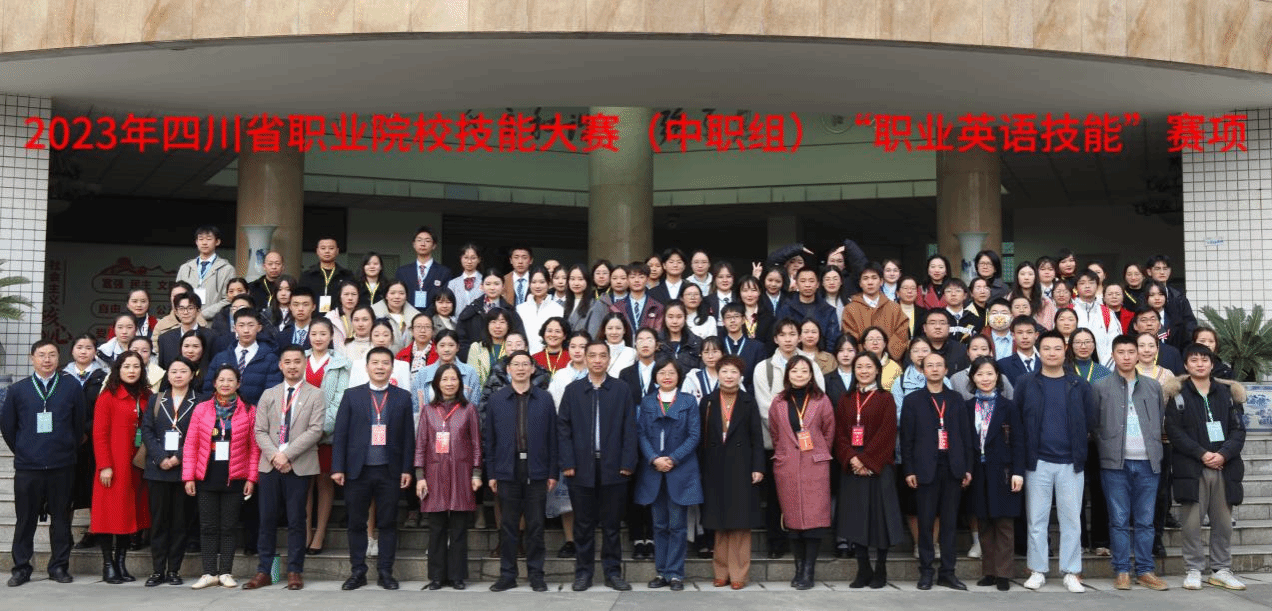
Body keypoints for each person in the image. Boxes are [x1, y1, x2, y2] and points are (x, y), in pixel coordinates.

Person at [1016, 331, 1097, 593]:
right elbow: (1018, 420)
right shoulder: (1026, 383)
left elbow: (1091, 421)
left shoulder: (1079, 385)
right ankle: (1037, 570)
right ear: (1039, 352)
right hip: (1037, 462)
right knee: (1036, 520)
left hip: (1070, 463)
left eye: (1057, 348)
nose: (1052, 353)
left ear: (1065, 351)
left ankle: (1071, 571)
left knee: (1071, 520)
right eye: (1047, 348)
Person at [1, 340, 86, 587]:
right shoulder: (18, 390)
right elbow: (8, 427)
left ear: (58, 358)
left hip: (62, 465)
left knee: (61, 520)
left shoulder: (71, 387)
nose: (46, 360)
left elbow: (78, 423)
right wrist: (24, 450)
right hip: (29, 467)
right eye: (41, 355)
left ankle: (58, 567)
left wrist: (67, 447)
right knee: (25, 520)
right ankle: (21, 568)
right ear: (32, 358)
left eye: (51, 355)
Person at [331, 347, 416, 591]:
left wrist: (407, 469)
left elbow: (408, 437)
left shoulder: (402, 397)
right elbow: (341, 434)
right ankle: (358, 572)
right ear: (367, 367)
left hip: (390, 470)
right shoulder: (352, 395)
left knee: (388, 523)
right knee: (356, 523)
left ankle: (385, 572)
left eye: (385, 363)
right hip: (357, 471)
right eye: (375, 362)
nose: (380, 367)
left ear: (392, 367)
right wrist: (337, 467)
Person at [243, 346, 326, 591]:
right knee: (267, 519)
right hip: (270, 466)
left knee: (297, 520)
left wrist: (286, 455)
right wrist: (275, 456)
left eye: (297, 361)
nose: (292, 366)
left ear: (304, 364)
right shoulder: (269, 394)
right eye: (287, 362)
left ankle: (294, 571)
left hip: (299, 465)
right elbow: (259, 430)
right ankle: (266, 572)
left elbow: (315, 430)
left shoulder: (316, 394)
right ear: (280, 365)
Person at [1165, 343, 1247, 591]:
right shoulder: (1178, 394)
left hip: (1224, 467)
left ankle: (1221, 569)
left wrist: (1223, 454)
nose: (1199, 364)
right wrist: (1201, 454)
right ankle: (1193, 568)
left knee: (1223, 522)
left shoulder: (1227, 394)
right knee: (1191, 522)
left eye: (1204, 360)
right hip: (1192, 468)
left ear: (1212, 364)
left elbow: (1238, 430)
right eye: (1194, 360)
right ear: (1186, 365)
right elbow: (1174, 431)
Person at [557, 341, 637, 592]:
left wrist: (628, 462)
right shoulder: (573, 390)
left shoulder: (621, 389)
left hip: (614, 467)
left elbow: (630, 428)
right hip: (581, 468)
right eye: (592, 355)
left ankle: (613, 573)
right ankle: (583, 573)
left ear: (609, 359)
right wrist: (567, 462)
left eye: (603, 355)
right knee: (583, 525)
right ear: (585, 358)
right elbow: (563, 429)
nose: (597, 360)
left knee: (612, 525)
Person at [1093, 334, 1169, 591]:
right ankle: (1122, 570)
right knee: (1119, 519)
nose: (1126, 357)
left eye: (1130, 352)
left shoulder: (1153, 386)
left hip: (1148, 463)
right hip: (1115, 464)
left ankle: (1145, 570)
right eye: (1121, 352)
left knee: (1146, 520)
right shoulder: (1100, 387)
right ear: (1113, 355)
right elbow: (1095, 424)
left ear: (1138, 355)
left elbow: (1159, 419)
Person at [753, 319, 826, 559]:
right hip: (776, 443)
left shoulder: (811, 365)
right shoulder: (763, 367)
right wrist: (789, 433)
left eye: (792, 334)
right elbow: (765, 408)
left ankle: (805, 543)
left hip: (808, 445)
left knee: (806, 495)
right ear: (775, 339)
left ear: (799, 337)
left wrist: (804, 432)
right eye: (782, 334)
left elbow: (820, 401)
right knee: (777, 496)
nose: (787, 339)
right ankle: (776, 543)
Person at [182, 365, 259, 590]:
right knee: (207, 526)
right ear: (214, 383)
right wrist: (189, 477)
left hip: (235, 476)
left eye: (230, 380)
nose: (226, 384)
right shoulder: (202, 409)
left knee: (228, 527)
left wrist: (251, 478)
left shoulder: (248, 410)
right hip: (206, 475)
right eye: (221, 380)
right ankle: (208, 573)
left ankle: (225, 571)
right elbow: (191, 444)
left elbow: (254, 448)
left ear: (238, 384)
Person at [901, 351, 972, 591]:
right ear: (922, 370)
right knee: (926, 523)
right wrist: (909, 469)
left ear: (946, 370)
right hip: (924, 470)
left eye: (938, 365)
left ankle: (948, 572)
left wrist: (967, 468)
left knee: (950, 524)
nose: (934, 369)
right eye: (929, 365)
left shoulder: (956, 399)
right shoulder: (913, 400)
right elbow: (907, 439)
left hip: (952, 468)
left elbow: (965, 436)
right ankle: (926, 571)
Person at [834, 352, 903, 589]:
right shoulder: (845, 399)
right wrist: (852, 459)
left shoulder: (886, 398)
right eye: (859, 367)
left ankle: (881, 568)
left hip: (879, 466)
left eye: (868, 367)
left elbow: (887, 433)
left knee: (880, 520)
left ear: (877, 370)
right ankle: (863, 569)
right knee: (856, 519)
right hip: (852, 466)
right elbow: (839, 434)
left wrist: (866, 461)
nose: (864, 371)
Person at [634, 358, 702, 591]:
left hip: (679, 470)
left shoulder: (688, 401)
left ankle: (675, 574)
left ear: (678, 376)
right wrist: (654, 459)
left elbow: (694, 435)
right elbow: (641, 434)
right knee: (659, 525)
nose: (666, 376)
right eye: (662, 372)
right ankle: (661, 572)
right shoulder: (648, 401)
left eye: (671, 372)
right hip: (654, 471)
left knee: (678, 526)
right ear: (655, 376)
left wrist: (673, 459)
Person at [768, 355, 834, 590]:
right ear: (788, 374)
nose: (799, 375)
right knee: (793, 520)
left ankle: (808, 571)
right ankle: (798, 569)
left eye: (804, 371)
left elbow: (829, 432)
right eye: (795, 371)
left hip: (815, 466)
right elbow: (775, 433)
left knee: (814, 522)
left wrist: (818, 452)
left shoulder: (821, 400)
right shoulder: (778, 402)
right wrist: (786, 452)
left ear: (811, 375)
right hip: (787, 465)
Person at [698, 356, 764, 589]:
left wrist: (758, 467)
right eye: (724, 371)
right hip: (715, 466)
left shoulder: (748, 401)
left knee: (740, 523)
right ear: (718, 374)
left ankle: (738, 574)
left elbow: (757, 437)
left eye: (733, 372)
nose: (729, 376)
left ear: (741, 376)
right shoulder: (707, 402)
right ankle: (721, 571)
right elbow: (701, 438)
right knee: (719, 521)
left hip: (741, 467)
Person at [415, 364, 483, 590]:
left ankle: (457, 576)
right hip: (434, 474)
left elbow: (476, 444)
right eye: (445, 379)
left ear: (460, 383)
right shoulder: (428, 410)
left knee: (459, 528)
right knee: (436, 528)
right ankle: (436, 576)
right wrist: (420, 475)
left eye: (454, 379)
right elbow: (421, 444)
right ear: (437, 383)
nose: (449, 383)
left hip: (462, 474)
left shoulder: (468, 409)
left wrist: (476, 473)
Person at [962, 356, 1025, 591]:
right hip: (978, 471)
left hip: (1004, 471)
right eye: (979, 374)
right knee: (984, 522)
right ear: (972, 378)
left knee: (1004, 524)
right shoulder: (967, 407)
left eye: (989, 373)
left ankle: (1004, 574)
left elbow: (1019, 442)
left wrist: (1018, 472)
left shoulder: (1008, 406)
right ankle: (988, 572)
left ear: (997, 376)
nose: (985, 378)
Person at [92, 350, 153, 584]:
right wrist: (104, 465)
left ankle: (121, 562)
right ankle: (108, 565)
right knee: (109, 516)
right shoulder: (108, 396)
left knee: (130, 516)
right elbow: (99, 434)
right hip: (113, 467)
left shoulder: (147, 395)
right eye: (126, 366)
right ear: (118, 370)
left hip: (137, 465)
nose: (131, 371)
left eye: (136, 366)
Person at [140, 357, 199, 587]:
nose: (178, 375)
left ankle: (174, 569)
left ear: (192, 375)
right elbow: (147, 431)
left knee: (179, 522)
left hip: (184, 469)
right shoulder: (156, 399)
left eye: (183, 371)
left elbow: (198, 433)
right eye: (173, 371)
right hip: (158, 469)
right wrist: (160, 457)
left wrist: (178, 457)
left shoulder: (200, 401)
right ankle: (157, 571)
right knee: (158, 522)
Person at [303, 318, 351, 556]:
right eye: (314, 334)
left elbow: (339, 401)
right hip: (300, 434)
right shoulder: (299, 359)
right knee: (304, 484)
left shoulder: (341, 363)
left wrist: (320, 430)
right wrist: (302, 433)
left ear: (331, 336)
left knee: (324, 482)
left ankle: (320, 533)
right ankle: (305, 532)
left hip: (326, 434)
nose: (318, 338)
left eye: (323, 333)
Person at [203, 309, 282, 406]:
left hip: (257, 412)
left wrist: (255, 412)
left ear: (259, 328)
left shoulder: (270, 358)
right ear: (234, 328)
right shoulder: (220, 357)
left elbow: (272, 392)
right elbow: (208, 389)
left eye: (251, 325)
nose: (246, 330)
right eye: (241, 325)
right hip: (223, 411)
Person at [841, 263, 910, 362]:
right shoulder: (850, 309)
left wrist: (884, 356)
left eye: (874, 278)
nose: (870, 282)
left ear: (881, 281)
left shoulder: (894, 308)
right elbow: (851, 339)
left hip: (889, 364)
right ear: (860, 283)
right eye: (865, 278)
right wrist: (866, 358)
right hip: (861, 364)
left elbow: (901, 335)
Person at [456, 269, 522, 359]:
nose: (492, 288)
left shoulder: (510, 312)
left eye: (496, 284)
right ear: (482, 286)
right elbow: (461, 341)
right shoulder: (471, 311)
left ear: (503, 286)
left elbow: (519, 339)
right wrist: (473, 358)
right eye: (488, 284)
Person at [176, 225, 237, 319]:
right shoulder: (185, 268)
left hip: (213, 322)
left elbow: (229, 299)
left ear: (217, 242)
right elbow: (176, 296)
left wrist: (203, 314)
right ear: (196, 242)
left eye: (209, 239)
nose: (204, 243)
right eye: (201, 239)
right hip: (186, 321)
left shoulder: (227, 269)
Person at [775, 267, 841, 352]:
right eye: (803, 281)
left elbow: (832, 339)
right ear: (797, 284)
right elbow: (780, 334)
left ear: (817, 284)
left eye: (811, 281)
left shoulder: (828, 310)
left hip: (820, 355)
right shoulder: (787, 308)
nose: (807, 285)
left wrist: (825, 357)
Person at [1145, 255, 1199, 350]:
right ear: (1149, 271)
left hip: (1177, 348)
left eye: (1165, 268)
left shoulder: (1179, 297)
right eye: (1157, 269)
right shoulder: (1143, 296)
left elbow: (1190, 324)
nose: (1162, 272)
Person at [1072, 270, 1121, 368]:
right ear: (1076, 288)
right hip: (1072, 368)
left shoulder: (1107, 313)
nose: (1087, 286)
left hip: (1103, 369)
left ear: (1098, 286)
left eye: (1091, 282)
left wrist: (1103, 370)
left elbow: (1116, 342)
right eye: (1082, 283)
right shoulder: (1068, 311)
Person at [516, 267, 565, 354]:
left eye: (542, 282)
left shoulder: (558, 309)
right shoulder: (520, 309)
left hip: (550, 356)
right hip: (524, 357)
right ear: (529, 284)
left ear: (549, 284)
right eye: (534, 282)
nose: (537, 286)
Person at [300, 237, 355, 314]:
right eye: (323, 248)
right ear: (317, 251)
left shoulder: (347, 275)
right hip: (313, 318)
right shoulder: (307, 275)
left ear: (337, 251)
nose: (327, 251)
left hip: (340, 317)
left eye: (331, 248)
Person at [612, 263, 665, 339]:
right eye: (632, 277)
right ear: (627, 279)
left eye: (641, 277)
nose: (636, 280)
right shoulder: (617, 307)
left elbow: (659, 334)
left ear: (647, 279)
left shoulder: (657, 307)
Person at [157, 291, 208, 369]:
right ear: (176, 312)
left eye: (190, 308)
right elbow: (162, 369)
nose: (185, 312)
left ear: (198, 311)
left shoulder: (212, 336)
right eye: (181, 309)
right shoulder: (164, 339)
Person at [371, 281, 422, 352]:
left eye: (401, 293)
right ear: (386, 296)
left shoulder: (416, 316)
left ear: (406, 296)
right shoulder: (373, 313)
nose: (397, 297)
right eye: (392, 293)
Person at [719, 303, 764, 378]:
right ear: (723, 322)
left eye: (736, 316)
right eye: (728, 317)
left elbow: (760, 375)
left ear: (743, 320)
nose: (732, 320)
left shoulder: (757, 347)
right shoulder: (719, 345)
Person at [656, 300, 704, 373]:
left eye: (679, 317)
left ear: (685, 318)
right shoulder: (656, 342)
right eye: (670, 317)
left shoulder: (697, 342)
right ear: (664, 318)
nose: (675, 321)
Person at [564, 263, 608, 339]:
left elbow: (593, 335)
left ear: (587, 281)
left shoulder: (596, 305)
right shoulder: (563, 304)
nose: (576, 283)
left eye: (580, 279)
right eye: (572, 279)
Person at [997, 316, 1041, 386]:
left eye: (1029, 332)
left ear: (1036, 335)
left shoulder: (1046, 362)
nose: (1025, 337)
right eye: (1020, 333)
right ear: (1013, 335)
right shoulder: (1003, 365)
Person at [447, 243, 484, 314]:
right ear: (461, 258)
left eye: (473, 258)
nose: (469, 262)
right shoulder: (452, 284)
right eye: (466, 258)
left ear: (479, 259)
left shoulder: (485, 282)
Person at [599, 311, 637, 376]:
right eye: (610, 328)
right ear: (604, 330)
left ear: (624, 330)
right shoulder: (596, 351)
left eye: (618, 328)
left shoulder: (633, 353)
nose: (614, 332)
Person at [326, 281, 362, 347]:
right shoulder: (330, 318)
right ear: (340, 296)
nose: (350, 298)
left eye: (354, 294)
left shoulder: (365, 317)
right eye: (346, 294)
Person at [280, 286, 316, 351]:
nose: (300, 309)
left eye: (305, 304)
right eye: (296, 305)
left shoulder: (320, 333)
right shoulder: (282, 335)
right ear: (290, 307)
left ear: (313, 307)